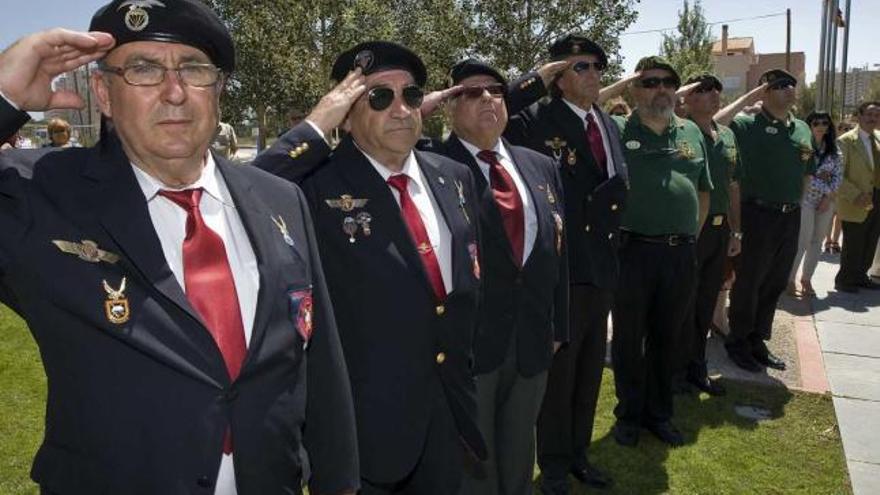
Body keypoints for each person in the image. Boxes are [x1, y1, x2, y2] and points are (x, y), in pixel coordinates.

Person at [0, 1, 359, 493]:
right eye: (143, 70)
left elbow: (317, 362)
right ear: (103, 93)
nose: (174, 92)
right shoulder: (39, 195)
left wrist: (338, 481)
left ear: (219, 90)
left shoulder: (280, 198)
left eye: (194, 69)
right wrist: (1, 97)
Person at [254, 41, 487, 495]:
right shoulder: (313, 187)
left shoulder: (452, 176)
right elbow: (246, 196)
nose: (401, 109)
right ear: (347, 112)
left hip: (445, 416)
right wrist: (316, 126)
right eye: (380, 97)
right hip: (362, 431)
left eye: (411, 95)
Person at [420, 59, 567, 495]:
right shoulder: (429, 166)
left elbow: (558, 253)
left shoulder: (540, 166)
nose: (488, 97)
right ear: (448, 105)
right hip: (468, 348)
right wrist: (418, 108)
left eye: (496, 91)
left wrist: (558, 324)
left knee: (520, 452)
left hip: (532, 341)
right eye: (470, 92)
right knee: (473, 463)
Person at [503, 33, 628, 494]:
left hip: (601, 271)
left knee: (590, 370)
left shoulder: (607, 123)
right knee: (558, 378)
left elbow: (617, 188)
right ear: (557, 76)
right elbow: (498, 104)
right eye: (581, 66)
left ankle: (579, 453)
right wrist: (537, 79)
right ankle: (553, 464)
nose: (594, 73)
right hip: (562, 271)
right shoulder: (533, 120)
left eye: (598, 65)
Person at [608, 56, 711, 448]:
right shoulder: (616, 128)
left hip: (680, 254)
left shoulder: (691, 132)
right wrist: (622, 81)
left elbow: (703, 192)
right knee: (629, 339)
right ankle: (629, 415)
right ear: (634, 89)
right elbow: (582, 108)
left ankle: (659, 414)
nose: (661, 88)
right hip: (632, 251)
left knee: (669, 338)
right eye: (649, 82)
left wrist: (688, 236)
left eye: (668, 81)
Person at [725, 69, 816, 372]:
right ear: (764, 92)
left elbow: (807, 171)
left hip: (789, 216)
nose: (788, 89)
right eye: (779, 86)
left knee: (775, 281)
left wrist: (796, 203)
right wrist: (746, 99)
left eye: (791, 84)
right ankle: (737, 341)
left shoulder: (802, 128)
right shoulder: (745, 125)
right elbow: (715, 125)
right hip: (756, 215)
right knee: (749, 282)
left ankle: (756, 339)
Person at [677, 73, 742, 397]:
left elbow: (733, 186)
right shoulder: (678, 130)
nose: (714, 94)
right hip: (690, 228)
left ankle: (696, 367)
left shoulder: (727, 135)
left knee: (705, 302)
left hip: (719, 230)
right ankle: (673, 371)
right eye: (702, 90)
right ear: (688, 98)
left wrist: (736, 230)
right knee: (681, 303)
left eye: (716, 89)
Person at [788, 111, 842, 296]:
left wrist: (827, 197)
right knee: (801, 241)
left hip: (826, 202)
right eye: (816, 122)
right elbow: (802, 175)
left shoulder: (834, 150)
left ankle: (807, 279)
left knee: (817, 242)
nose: (820, 126)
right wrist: (819, 177)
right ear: (808, 125)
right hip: (805, 200)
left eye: (825, 123)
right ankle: (790, 280)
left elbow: (838, 176)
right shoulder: (802, 146)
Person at [834, 101, 880, 292]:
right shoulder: (845, 141)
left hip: (877, 196)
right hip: (857, 198)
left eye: (877, 115)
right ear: (859, 116)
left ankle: (861, 276)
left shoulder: (878, 138)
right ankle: (845, 279)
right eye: (869, 114)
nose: (873, 119)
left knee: (870, 239)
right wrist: (855, 195)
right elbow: (838, 175)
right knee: (854, 241)